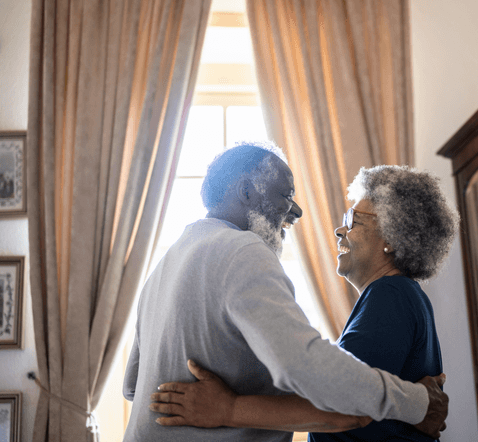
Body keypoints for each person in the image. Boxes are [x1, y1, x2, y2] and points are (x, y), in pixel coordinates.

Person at [124, 145, 448, 442]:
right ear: (247, 192)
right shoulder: (242, 249)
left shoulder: (165, 265)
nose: (297, 213)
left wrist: (229, 401)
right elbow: (320, 380)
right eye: (286, 195)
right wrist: (420, 402)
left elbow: (133, 387)